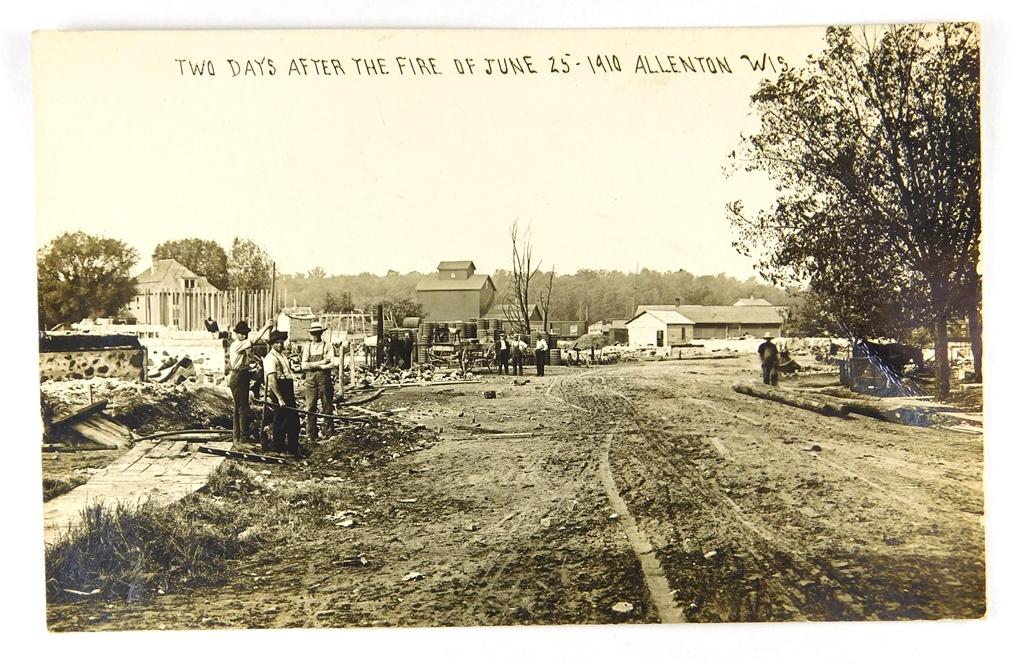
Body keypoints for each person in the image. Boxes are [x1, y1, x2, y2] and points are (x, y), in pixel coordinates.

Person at [228, 319, 273, 445]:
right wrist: (265, 326)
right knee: (242, 408)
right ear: (238, 334)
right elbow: (254, 340)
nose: (245, 336)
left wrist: (255, 363)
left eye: (246, 333)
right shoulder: (237, 344)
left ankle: (237, 437)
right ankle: (243, 439)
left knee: (239, 408)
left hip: (242, 375)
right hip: (238, 376)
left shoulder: (240, 343)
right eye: (243, 333)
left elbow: (250, 354)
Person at [264, 330, 301, 457]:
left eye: (281, 343)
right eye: (277, 343)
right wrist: (280, 398)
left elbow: (288, 373)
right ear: (272, 344)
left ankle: (292, 450)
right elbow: (272, 381)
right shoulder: (270, 358)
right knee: (280, 422)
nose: (280, 345)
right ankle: (278, 450)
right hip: (279, 390)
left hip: (288, 389)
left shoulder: (282, 356)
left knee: (294, 421)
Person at [301, 322, 335, 441]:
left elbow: (331, 363)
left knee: (327, 405)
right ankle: (311, 434)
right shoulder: (307, 347)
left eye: (317, 333)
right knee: (310, 407)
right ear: (311, 334)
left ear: (321, 333)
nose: (315, 336)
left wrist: (316, 366)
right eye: (313, 334)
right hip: (310, 381)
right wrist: (320, 363)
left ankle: (329, 432)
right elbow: (304, 365)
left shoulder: (328, 346)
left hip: (324, 380)